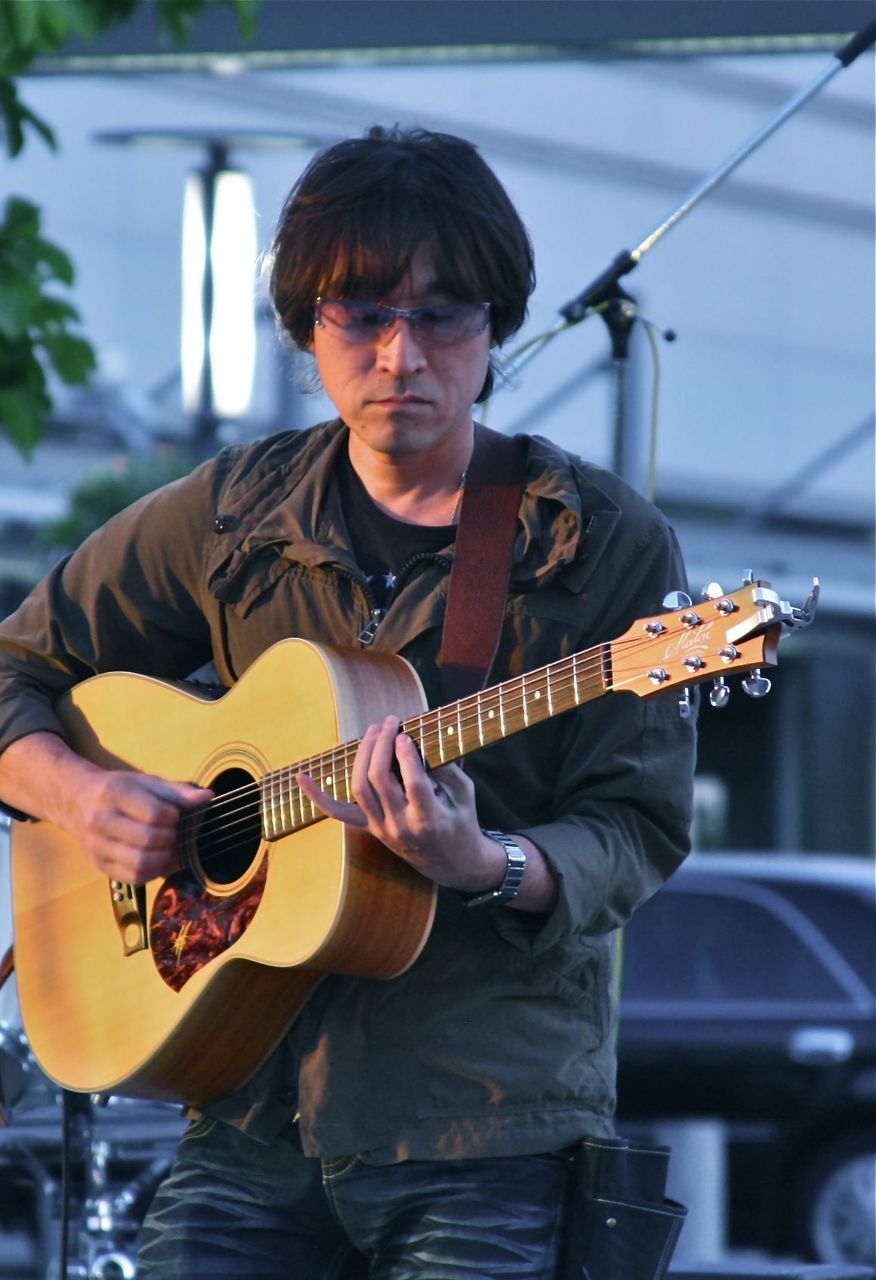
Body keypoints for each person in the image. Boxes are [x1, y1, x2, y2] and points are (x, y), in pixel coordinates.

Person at [0, 126, 696, 1278]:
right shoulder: (233, 513)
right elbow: (15, 668)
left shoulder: (596, 540)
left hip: (484, 1123)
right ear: (306, 323)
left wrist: (485, 861)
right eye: (361, 314)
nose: (400, 355)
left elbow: (637, 828)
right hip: (245, 1105)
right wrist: (80, 795)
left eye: (441, 316)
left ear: (496, 324)